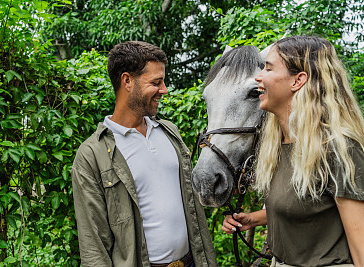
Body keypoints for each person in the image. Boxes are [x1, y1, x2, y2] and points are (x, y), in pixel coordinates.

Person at [71, 41, 217, 267]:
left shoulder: (169, 132)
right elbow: (93, 244)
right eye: (156, 82)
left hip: (190, 261)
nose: (164, 90)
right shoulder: (92, 154)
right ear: (127, 81)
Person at [221, 36, 364, 266]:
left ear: (298, 80)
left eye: (268, 68)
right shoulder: (276, 143)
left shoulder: (338, 149)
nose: (258, 76)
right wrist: (253, 218)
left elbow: (361, 247)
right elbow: (310, 208)